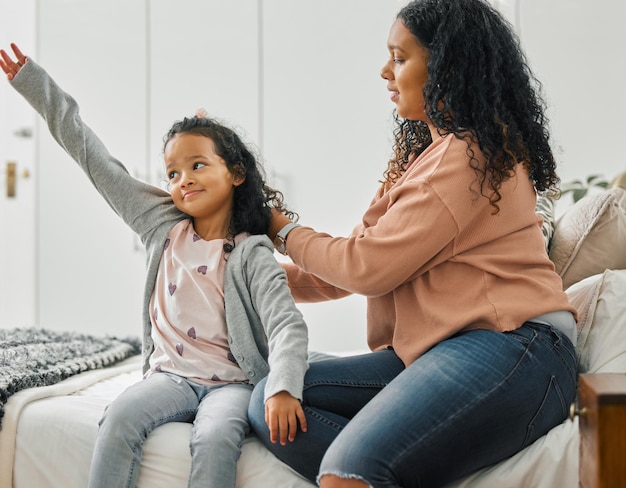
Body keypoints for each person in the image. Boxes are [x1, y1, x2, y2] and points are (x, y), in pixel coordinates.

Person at [247, 0, 579, 487]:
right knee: (272, 398)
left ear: (447, 64)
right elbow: (349, 268)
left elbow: (364, 268)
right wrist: (247, 277)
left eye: (400, 58)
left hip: (512, 347)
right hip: (437, 352)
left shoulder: (470, 155)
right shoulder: (423, 162)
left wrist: (278, 228)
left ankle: (366, 466)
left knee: (352, 466)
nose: (385, 71)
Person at [1, 43, 309, 488]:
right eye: (173, 173)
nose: (183, 180)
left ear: (236, 174)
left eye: (198, 165)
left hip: (232, 385)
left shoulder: (251, 253)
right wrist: (33, 83)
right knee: (119, 418)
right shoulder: (160, 225)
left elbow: (287, 326)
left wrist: (282, 386)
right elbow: (91, 156)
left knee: (216, 437)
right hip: (169, 377)